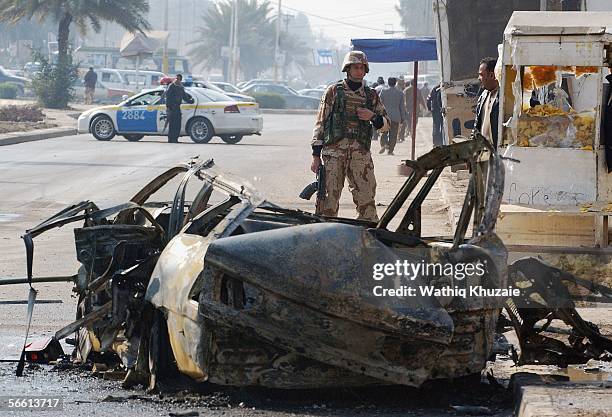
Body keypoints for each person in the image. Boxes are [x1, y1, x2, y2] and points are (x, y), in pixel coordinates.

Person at [310, 50, 389, 221]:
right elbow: (320, 123)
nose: (359, 71)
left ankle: (367, 237)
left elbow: (386, 126)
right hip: (334, 154)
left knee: (366, 199)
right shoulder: (333, 91)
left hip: (360, 155)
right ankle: (323, 236)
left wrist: (372, 117)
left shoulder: (371, 95)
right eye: (355, 67)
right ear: (348, 68)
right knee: (328, 201)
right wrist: (316, 156)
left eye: (362, 67)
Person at [473, 57, 500, 179]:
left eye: (481, 75)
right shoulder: (483, 95)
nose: (479, 78)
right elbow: (477, 125)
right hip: (483, 154)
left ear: (491, 75)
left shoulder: (505, 97)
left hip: (498, 155)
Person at [378, 77, 405, 155]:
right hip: (396, 116)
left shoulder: (383, 92)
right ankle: (390, 150)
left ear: (388, 82)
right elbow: (402, 107)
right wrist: (402, 117)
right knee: (393, 134)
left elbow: (379, 103)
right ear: (395, 82)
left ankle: (384, 144)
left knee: (384, 131)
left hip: (385, 115)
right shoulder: (400, 93)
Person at [164, 74, 194, 143]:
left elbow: (185, 97)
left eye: (179, 79)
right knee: (172, 124)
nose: (177, 80)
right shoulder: (171, 86)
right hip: (171, 108)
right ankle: (171, 139)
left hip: (177, 107)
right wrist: (169, 107)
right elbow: (168, 97)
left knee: (177, 124)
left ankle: (175, 138)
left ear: (181, 80)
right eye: (176, 78)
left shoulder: (180, 87)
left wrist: (191, 101)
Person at [396, 76, 407, 142]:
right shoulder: (399, 90)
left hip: (398, 110)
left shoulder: (399, 89)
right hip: (398, 111)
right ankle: (397, 138)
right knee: (399, 126)